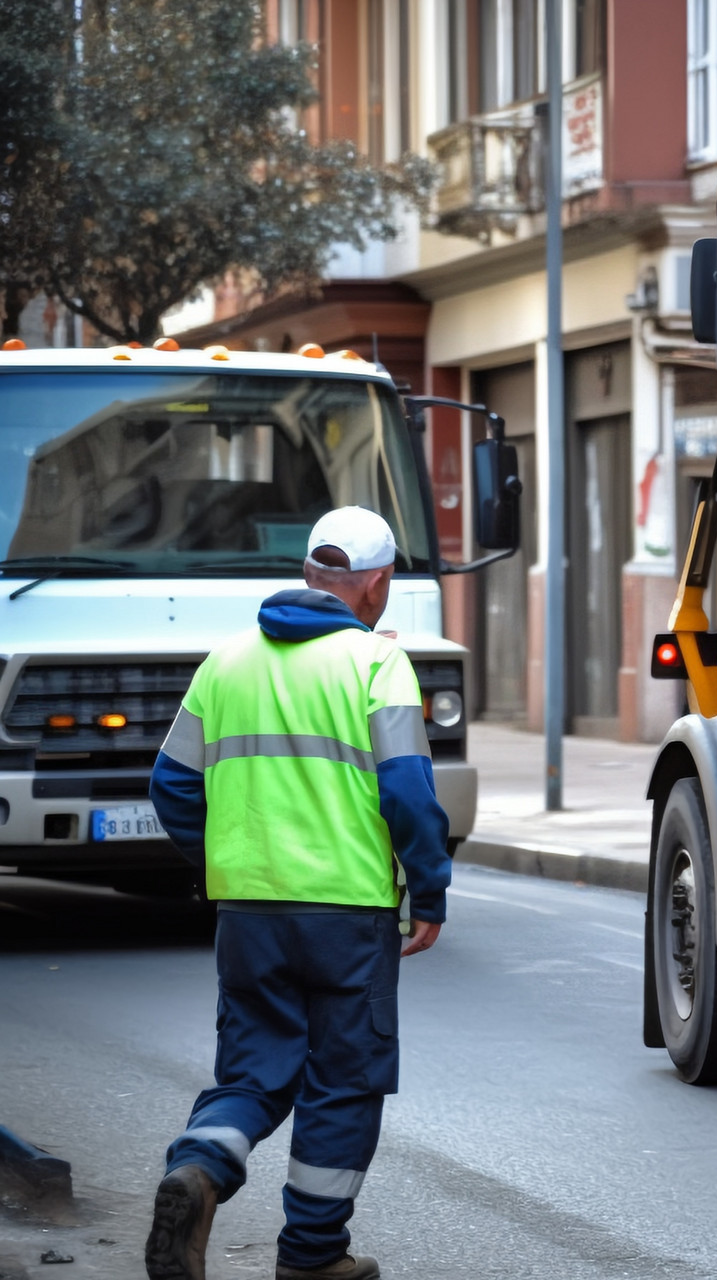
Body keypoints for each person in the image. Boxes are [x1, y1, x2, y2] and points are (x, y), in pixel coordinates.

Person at [143, 506, 451, 1280]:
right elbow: (410, 795)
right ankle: (312, 1256)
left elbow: (171, 783)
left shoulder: (227, 661)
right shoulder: (378, 665)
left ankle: (199, 1171)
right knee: (345, 1081)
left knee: (251, 1071)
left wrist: (227, 858)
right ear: (376, 584)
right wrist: (430, 889)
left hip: (249, 912)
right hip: (348, 915)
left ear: (311, 572)